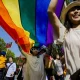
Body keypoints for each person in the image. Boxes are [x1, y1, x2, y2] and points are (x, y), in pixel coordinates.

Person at [47, 0, 80, 80]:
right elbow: (50, 11)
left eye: (78, 8)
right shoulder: (64, 32)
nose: (76, 11)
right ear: (68, 15)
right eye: (72, 9)